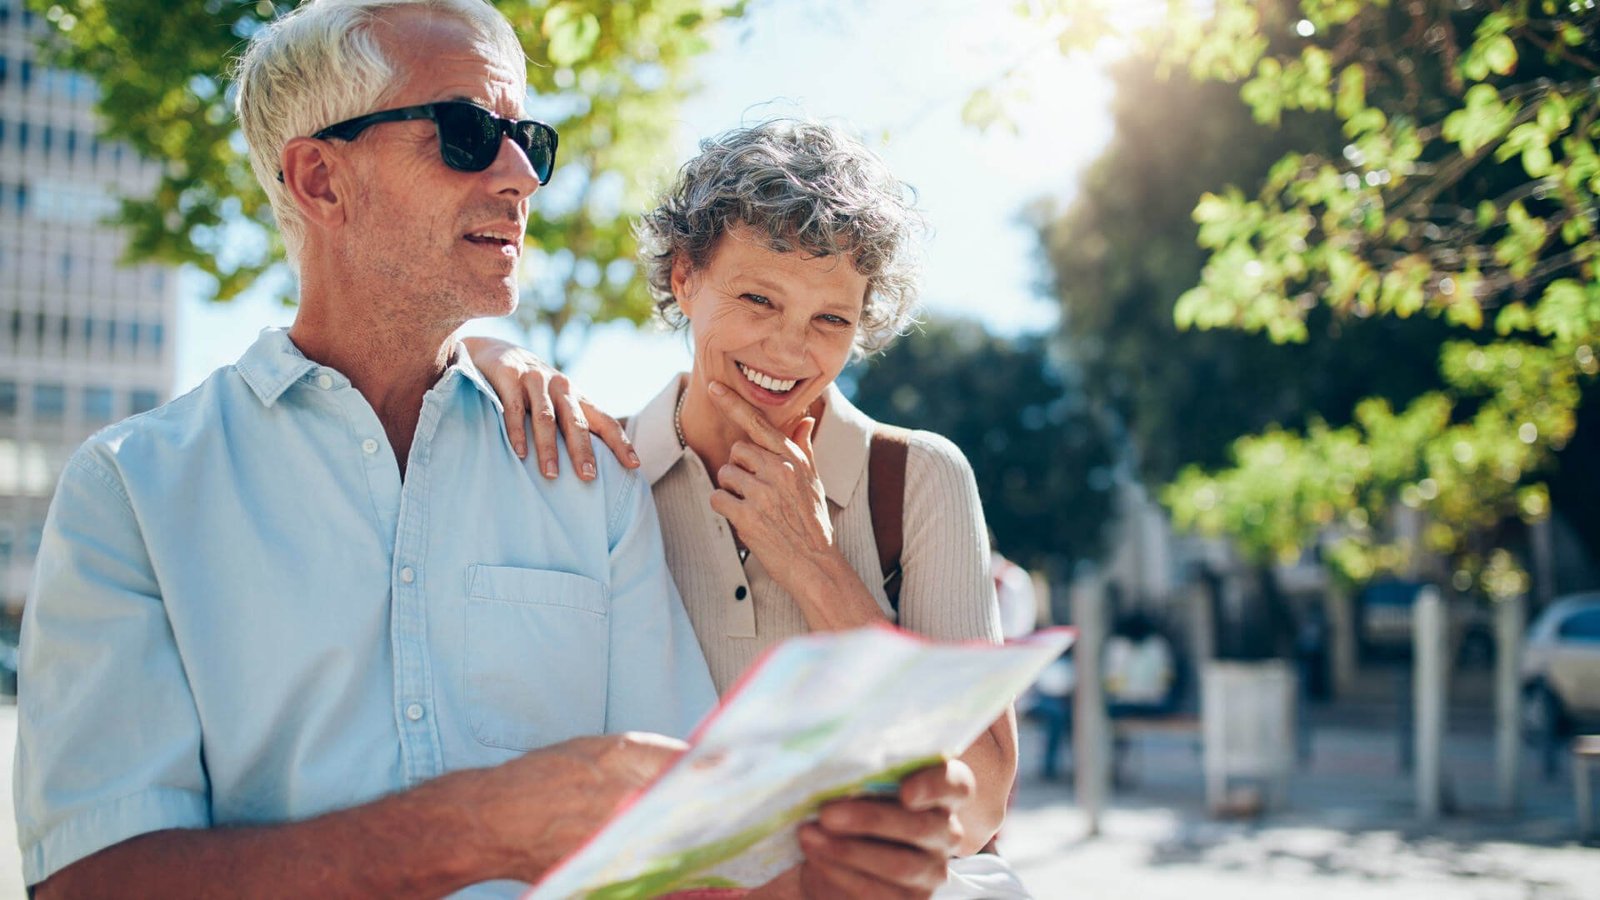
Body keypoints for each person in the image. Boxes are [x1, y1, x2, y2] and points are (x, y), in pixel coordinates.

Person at [14, 3, 974, 897]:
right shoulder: (132, 491)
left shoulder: (589, 476)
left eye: (529, 141)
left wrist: (828, 880)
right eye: (468, 134)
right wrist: (475, 828)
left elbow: (686, 856)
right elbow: (87, 880)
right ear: (319, 178)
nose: (520, 176)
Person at [470, 120, 1021, 894]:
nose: (789, 349)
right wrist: (490, 351)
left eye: (831, 319)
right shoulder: (593, 470)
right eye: (759, 298)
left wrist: (816, 566)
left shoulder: (917, 479)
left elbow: (977, 802)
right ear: (686, 277)